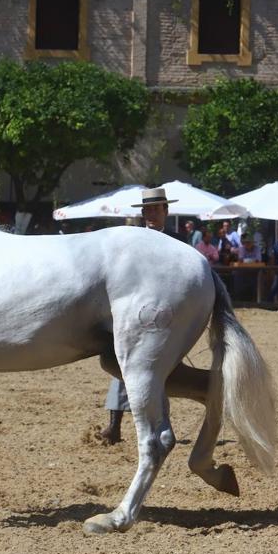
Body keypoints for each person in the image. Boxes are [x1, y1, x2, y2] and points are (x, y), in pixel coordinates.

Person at [100, 187, 180, 445]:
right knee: (123, 365)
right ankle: (114, 425)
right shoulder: (131, 240)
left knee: (155, 372)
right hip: (133, 311)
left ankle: (157, 424)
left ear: (166, 211)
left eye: (156, 209)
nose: (151, 214)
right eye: (147, 209)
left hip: (165, 314)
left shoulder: (178, 243)